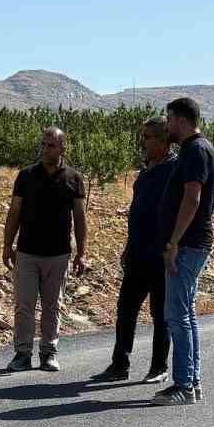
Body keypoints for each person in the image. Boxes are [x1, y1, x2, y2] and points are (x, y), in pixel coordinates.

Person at [90, 117, 175, 386]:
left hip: (161, 256)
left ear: (163, 140)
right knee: (126, 309)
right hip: (138, 253)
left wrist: (173, 247)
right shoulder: (144, 173)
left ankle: (159, 367)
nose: (143, 143)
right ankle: (119, 365)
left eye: (148, 137)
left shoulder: (174, 170)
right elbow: (137, 213)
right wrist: (128, 246)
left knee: (160, 314)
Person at [152, 97, 214, 407]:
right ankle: (192, 381)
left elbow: (192, 199)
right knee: (186, 315)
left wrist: (174, 242)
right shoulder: (199, 148)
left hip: (188, 244)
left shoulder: (195, 150)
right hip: (191, 243)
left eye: (169, 120)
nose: (167, 126)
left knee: (177, 317)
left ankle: (183, 385)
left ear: (180, 120)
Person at [2, 127, 87, 372]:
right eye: (43, 144)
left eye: (51, 145)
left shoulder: (74, 178)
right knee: (24, 305)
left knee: (52, 306)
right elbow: (14, 212)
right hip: (27, 252)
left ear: (62, 148)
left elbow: (80, 218)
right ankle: (22, 354)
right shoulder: (26, 176)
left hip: (58, 254)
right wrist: (7, 245)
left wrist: (82, 253)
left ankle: (48, 353)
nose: (45, 149)